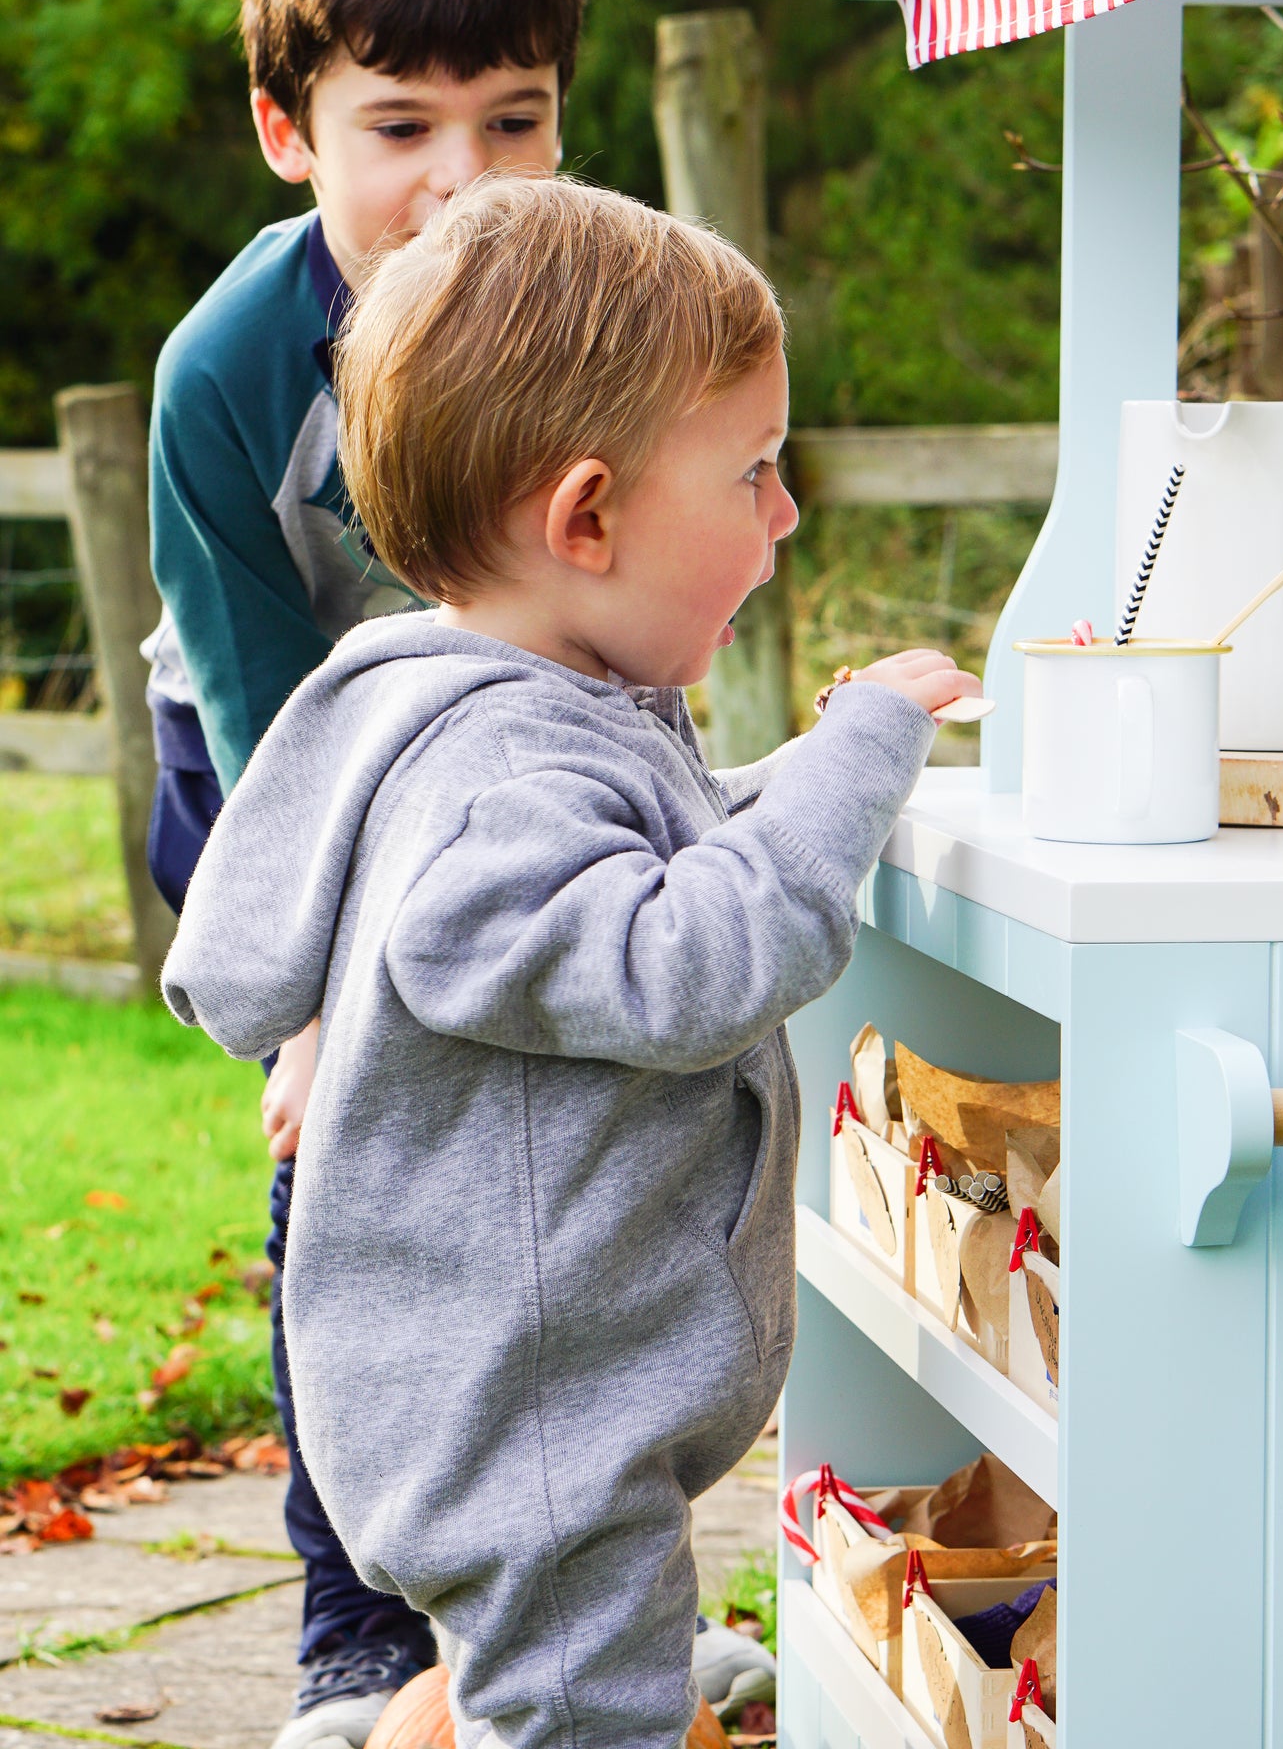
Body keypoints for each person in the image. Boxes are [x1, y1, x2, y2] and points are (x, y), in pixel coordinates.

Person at [161, 176, 982, 1749]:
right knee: (579, 1713)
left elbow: (650, 854)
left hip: (534, 1383)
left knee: (531, 1681)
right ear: (586, 517)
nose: (787, 511)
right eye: (751, 473)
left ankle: (421, 1726)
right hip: (526, 1418)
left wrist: (777, 789)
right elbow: (687, 961)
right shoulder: (499, 775)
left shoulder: (524, 708)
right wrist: (856, 752)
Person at [143, 0, 592, 1749]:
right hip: (275, 792)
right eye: (396, 128)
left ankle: (560, 1613)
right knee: (353, 1196)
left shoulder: (599, 312)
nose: (463, 177)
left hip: (500, 776)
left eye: (514, 118)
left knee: (568, 1189)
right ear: (287, 129)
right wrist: (312, 1012)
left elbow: (644, 609)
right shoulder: (229, 371)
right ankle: (351, 1638)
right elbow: (256, 722)